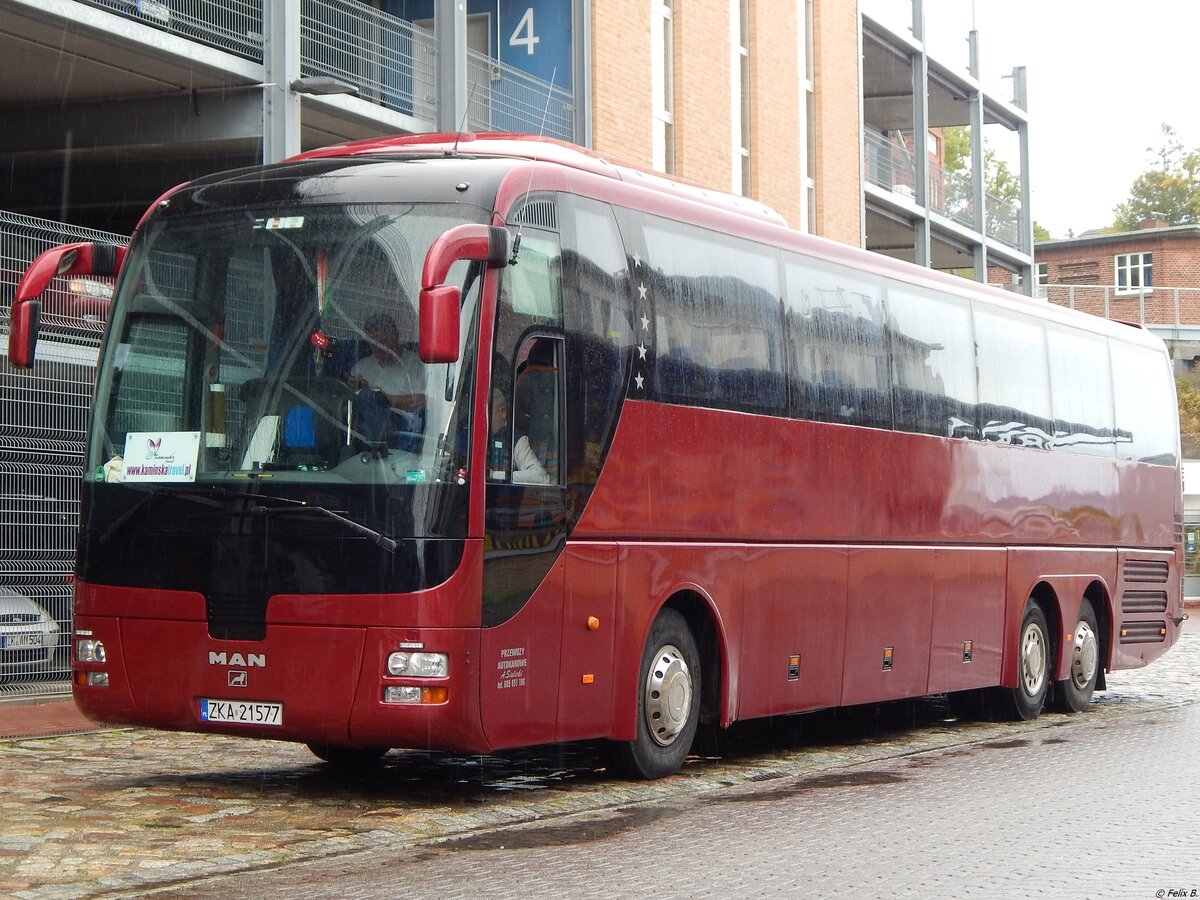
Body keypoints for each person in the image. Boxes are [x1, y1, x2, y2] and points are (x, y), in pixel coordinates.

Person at [349, 311, 425, 447]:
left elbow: (425, 401)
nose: (379, 348)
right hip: (360, 425)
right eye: (374, 343)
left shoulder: (416, 364)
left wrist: (385, 399)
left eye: (384, 342)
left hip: (402, 427)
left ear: (396, 337)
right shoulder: (360, 368)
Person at [489, 388, 548, 484]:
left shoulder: (516, 438)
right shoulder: (469, 434)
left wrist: (495, 475)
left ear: (503, 412)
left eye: (488, 413)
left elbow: (539, 475)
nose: (482, 419)